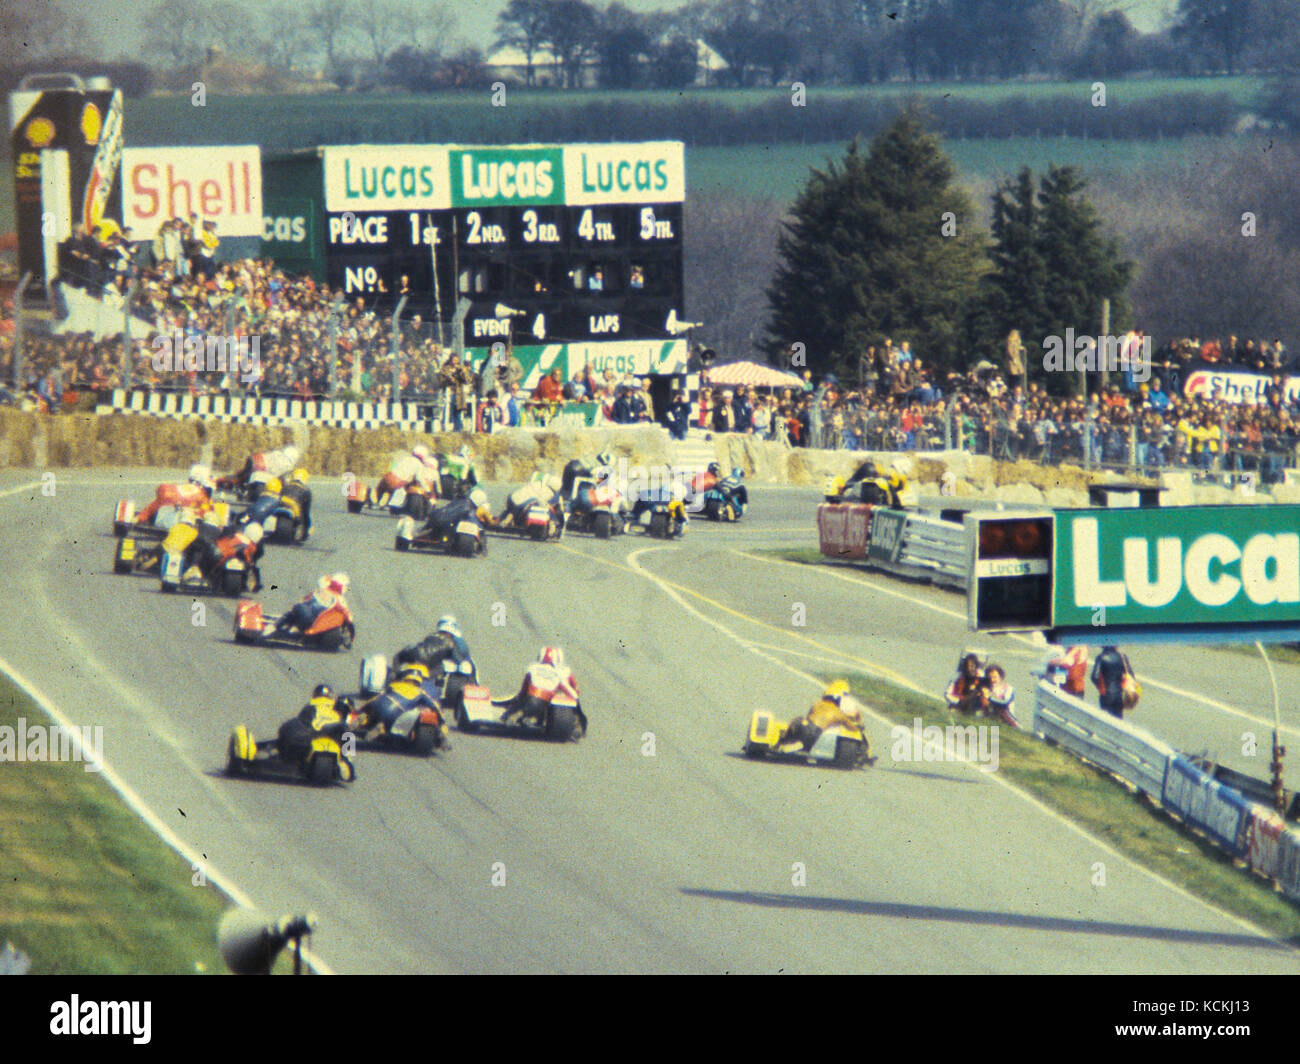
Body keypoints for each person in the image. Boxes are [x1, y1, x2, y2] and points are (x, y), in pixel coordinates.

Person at [355, 663, 449, 743]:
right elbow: (434, 705)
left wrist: (362, 708)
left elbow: (378, 697)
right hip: (398, 712)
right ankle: (382, 727)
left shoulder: (394, 685)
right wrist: (442, 719)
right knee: (398, 718)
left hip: (379, 705)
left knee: (372, 711)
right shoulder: (421, 691)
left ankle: (363, 719)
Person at [778, 680, 869, 756]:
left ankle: (784, 740)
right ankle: (798, 746)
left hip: (803, 725)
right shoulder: (838, 713)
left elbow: (809, 716)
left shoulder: (816, 704)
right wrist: (859, 726)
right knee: (807, 745)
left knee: (798, 720)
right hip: (814, 732)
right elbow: (852, 727)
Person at [498, 646, 581, 728]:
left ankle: (508, 715)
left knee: (525, 697)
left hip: (530, 700)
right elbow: (570, 690)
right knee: (553, 699)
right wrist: (575, 701)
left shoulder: (532, 668)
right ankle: (534, 719)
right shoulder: (561, 672)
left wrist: (517, 700)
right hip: (543, 704)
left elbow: (524, 689)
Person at [275, 684, 352, 767]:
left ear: (315, 695)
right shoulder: (335, 704)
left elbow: (301, 719)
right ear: (331, 696)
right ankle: (347, 758)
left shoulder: (310, 704)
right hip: (331, 729)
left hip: (310, 731)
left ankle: (283, 753)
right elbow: (347, 714)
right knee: (346, 729)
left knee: (288, 726)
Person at [185, 521, 265, 591]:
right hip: (218, 558)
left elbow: (222, 533)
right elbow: (251, 562)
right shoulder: (251, 545)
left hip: (217, 555)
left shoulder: (236, 533)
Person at [271, 573, 349, 640]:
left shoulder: (320, 590)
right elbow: (346, 614)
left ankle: (275, 626)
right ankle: (296, 630)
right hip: (310, 620)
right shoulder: (339, 599)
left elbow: (304, 599)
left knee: (292, 613)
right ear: (341, 586)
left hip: (300, 609)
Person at [137, 463, 214, 525]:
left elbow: (152, 507)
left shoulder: (169, 488)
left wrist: (140, 517)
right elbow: (207, 512)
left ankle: (138, 518)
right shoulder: (202, 496)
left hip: (164, 515)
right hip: (181, 524)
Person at [421, 487, 496, 538]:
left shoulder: (459, 501)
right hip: (450, 527)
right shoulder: (479, 509)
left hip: (440, 521)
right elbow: (490, 522)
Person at [498, 472, 563, 529]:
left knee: (513, 508)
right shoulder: (549, 493)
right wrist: (550, 508)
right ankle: (510, 518)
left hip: (511, 500)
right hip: (522, 506)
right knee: (536, 505)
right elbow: (542, 502)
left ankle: (503, 518)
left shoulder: (536, 483)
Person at [1092, 645, 1136, 719]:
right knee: (1118, 718)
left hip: (1105, 695)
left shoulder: (1101, 657)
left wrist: (1100, 686)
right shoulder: (1123, 657)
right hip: (1119, 695)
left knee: (1106, 718)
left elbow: (1094, 676)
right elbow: (1131, 675)